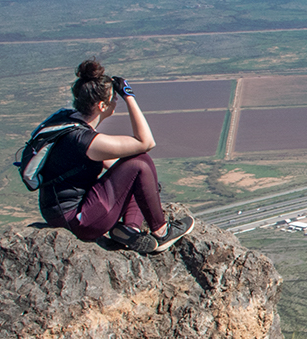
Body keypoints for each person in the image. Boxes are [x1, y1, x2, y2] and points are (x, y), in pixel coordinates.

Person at [36, 59, 193, 254]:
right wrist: (129, 97)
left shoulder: (68, 124)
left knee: (138, 174)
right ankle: (162, 233)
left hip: (60, 213)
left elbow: (116, 166)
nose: (116, 101)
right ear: (102, 106)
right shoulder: (85, 140)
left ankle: (130, 230)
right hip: (77, 221)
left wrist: (148, 185)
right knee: (140, 161)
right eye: (114, 98)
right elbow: (146, 143)